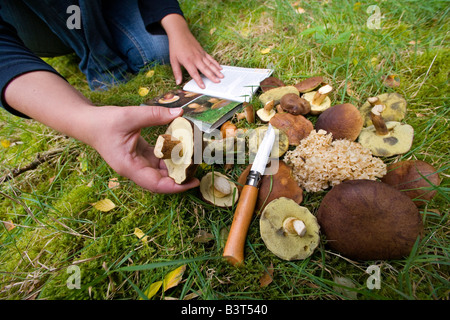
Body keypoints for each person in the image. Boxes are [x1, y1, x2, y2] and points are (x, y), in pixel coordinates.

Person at [0, 0, 224, 193]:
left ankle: (97, 34)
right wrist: (85, 121)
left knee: (158, 53)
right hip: (36, 21)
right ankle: (94, 57)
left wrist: (178, 28)